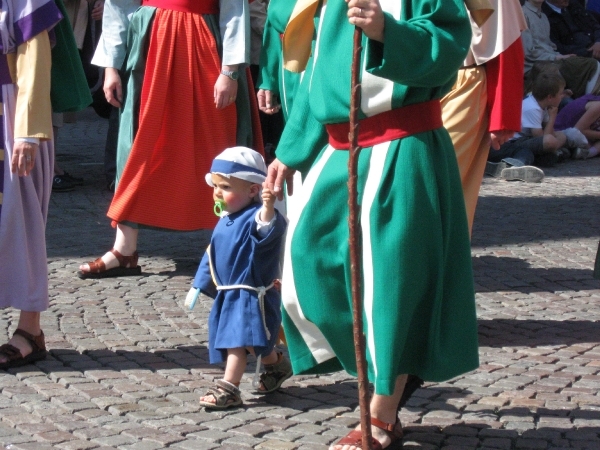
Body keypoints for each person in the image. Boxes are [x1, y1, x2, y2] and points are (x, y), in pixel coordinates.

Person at [266, 0, 479, 448]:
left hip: (404, 145)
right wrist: (291, 148)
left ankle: (380, 412)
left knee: (392, 284)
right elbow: (317, 75)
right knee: (308, 266)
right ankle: (393, 369)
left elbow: (450, 45)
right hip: (338, 152)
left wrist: (388, 31)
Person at [78, 0, 261, 279]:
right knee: (137, 148)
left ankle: (227, 246)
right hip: (149, 49)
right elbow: (119, 5)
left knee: (216, 144)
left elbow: (234, 10)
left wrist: (230, 71)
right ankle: (124, 249)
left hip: (204, 48)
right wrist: (111, 66)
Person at [185, 147, 291, 409]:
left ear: (253, 191)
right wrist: (199, 285)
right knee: (255, 344)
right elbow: (212, 254)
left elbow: (265, 229)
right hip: (229, 292)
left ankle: (229, 388)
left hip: (250, 295)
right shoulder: (226, 219)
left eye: (226, 187)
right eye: (216, 185)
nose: (217, 193)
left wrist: (267, 207)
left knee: (237, 341)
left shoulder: (254, 217)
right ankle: (276, 364)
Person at [0, 0, 63, 369]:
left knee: (21, 219)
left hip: (10, 113)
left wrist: (27, 132)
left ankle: (29, 329)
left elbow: (35, 56)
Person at [441, 0, 525, 236]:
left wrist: (503, 116)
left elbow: (505, 40)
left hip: (462, 85)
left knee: (444, 179)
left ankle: (438, 262)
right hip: (410, 86)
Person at [486, 71, 567, 182]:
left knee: (550, 157)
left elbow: (550, 134)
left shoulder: (544, 107)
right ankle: (509, 167)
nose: (563, 96)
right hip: (504, 144)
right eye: (561, 93)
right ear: (550, 97)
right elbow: (543, 139)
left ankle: (505, 165)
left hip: (520, 141)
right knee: (526, 152)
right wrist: (552, 117)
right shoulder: (533, 108)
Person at [523, 0, 600, 99]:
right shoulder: (523, 15)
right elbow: (528, 52)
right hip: (537, 66)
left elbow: (551, 45)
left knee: (590, 65)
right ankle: (587, 102)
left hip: (552, 59)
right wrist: (557, 57)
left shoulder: (543, 16)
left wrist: (561, 56)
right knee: (592, 65)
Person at [554, 91, 600, 158]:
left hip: (579, 137)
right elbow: (579, 130)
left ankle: (587, 152)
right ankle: (588, 152)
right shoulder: (598, 106)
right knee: (574, 134)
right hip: (561, 132)